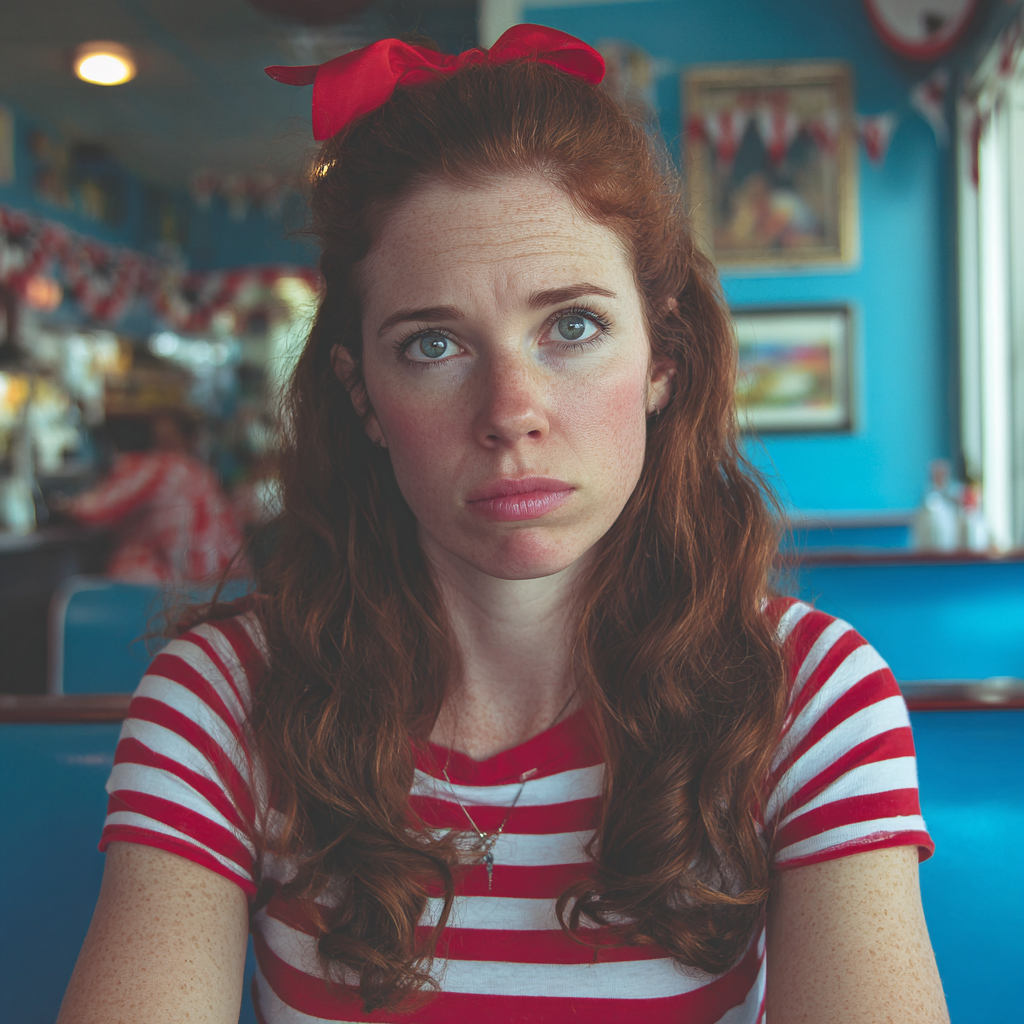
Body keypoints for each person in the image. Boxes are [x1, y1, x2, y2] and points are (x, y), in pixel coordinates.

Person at [57, 25, 949, 1024]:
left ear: (661, 356)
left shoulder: (811, 702)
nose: (509, 409)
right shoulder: (219, 707)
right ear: (361, 395)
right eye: (433, 343)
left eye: (571, 326)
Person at [62, 410, 244, 582]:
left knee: (128, 560)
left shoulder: (159, 468)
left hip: (186, 590)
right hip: (229, 588)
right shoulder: (202, 473)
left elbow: (93, 511)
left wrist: (63, 506)